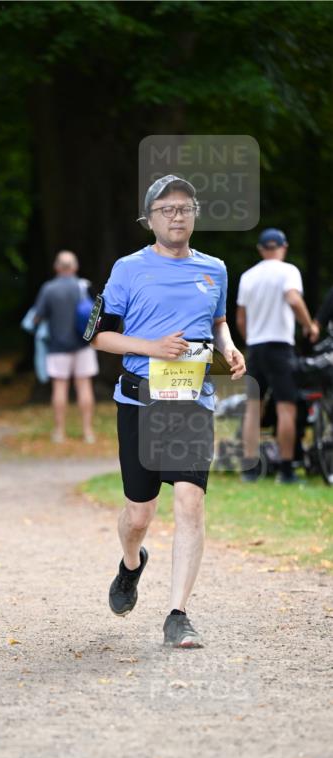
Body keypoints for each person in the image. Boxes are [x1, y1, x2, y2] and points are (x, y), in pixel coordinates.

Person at [89, 174, 245, 648]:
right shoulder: (128, 269)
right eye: (167, 209)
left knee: (190, 503)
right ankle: (131, 563)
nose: (177, 216)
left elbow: (217, 323)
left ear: (195, 214)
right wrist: (153, 347)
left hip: (191, 403)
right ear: (150, 219)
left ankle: (178, 613)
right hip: (138, 399)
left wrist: (230, 348)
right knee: (139, 514)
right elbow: (101, 336)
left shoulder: (215, 269)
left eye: (185, 208)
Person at [236, 228, 318, 484]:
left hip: (256, 347)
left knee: (252, 408)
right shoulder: (288, 271)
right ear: (283, 247)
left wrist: (250, 339)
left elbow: (240, 318)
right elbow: (293, 299)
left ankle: (250, 469)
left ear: (261, 249)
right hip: (280, 347)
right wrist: (309, 325)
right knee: (286, 408)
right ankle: (285, 470)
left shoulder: (248, 276)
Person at [32, 250, 98, 444]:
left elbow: (38, 317)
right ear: (75, 267)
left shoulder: (49, 289)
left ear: (57, 267)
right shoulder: (83, 286)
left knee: (60, 388)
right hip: (83, 345)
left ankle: (60, 432)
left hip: (57, 346)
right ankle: (88, 432)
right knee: (84, 387)